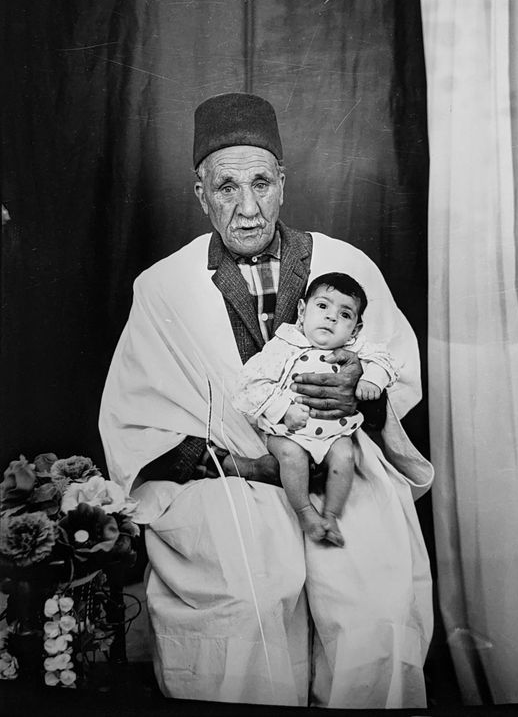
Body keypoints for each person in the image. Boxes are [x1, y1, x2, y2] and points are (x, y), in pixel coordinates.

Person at [99, 92, 434, 708]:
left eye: (261, 183)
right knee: (250, 589)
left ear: (283, 183)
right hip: (224, 475)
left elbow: (397, 374)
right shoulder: (163, 287)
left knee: (372, 590)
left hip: (339, 462)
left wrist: (363, 384)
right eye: (226, 188)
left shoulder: (343, 263)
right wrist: (246, 464)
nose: (247, 209)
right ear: (201, 194)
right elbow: (135, 415)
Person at [234, 271, 399, 547]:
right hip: (288, 431)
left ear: (355, 328)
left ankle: (331, 514)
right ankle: (305, 512)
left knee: (346, 456)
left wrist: (373, 377)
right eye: (322, 306)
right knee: (290, 455)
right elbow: (249, 382)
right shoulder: (285, 344)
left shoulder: (354, 347)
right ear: (302, 311)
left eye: (345, 314)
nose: (332, 317)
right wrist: (283, 407)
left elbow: (386, 359)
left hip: (334, 433)